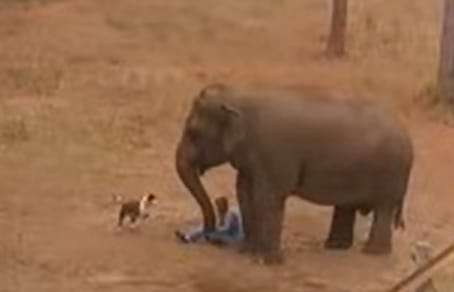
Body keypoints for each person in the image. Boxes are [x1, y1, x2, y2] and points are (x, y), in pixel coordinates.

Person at [175, 196, 244, 246]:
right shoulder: (221, 214)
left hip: (232, 237)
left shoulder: (230, 214)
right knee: (203, 228)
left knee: (209, 233)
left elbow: (227, 228)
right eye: (218, 206)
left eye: (219, 206)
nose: (218, 208)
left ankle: (190, 238)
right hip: (223, 233)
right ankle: (188, 236)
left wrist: (214, 229)